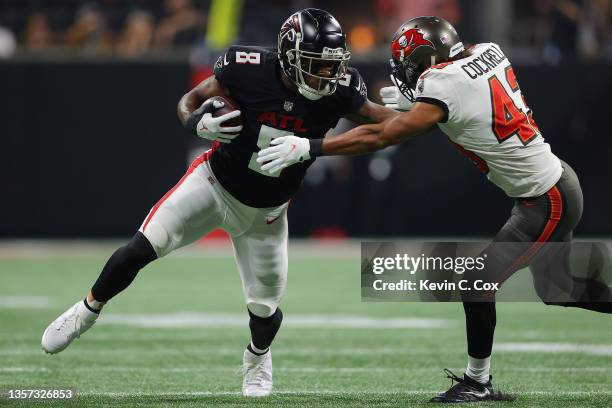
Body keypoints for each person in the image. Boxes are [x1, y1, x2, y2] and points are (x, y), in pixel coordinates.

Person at [41, 8, 395, 397]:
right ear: (289, 56)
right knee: (139, 249)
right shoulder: (249, 67)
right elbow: (189, 101)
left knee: (264, 309)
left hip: (268, 212)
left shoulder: (340, 90)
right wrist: (196, 123)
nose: (326, 75)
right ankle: (86, 311)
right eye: (316, 65)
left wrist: (411, 110)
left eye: (332, 66)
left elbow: (386, 126)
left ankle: (257, 358)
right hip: (213, 183)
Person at [257, 16, 612, 402]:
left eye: (409, 67)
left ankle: (477, 383)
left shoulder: (441, 85)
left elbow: (385, 133)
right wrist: (416, 103)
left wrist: (311, 147)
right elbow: (460, 103)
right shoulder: (487, 52)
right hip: (555, 184)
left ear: (424, 60)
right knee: (560, 290)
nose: (408, 76)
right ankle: (479, 383)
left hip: (547, 200)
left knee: (477, 283)